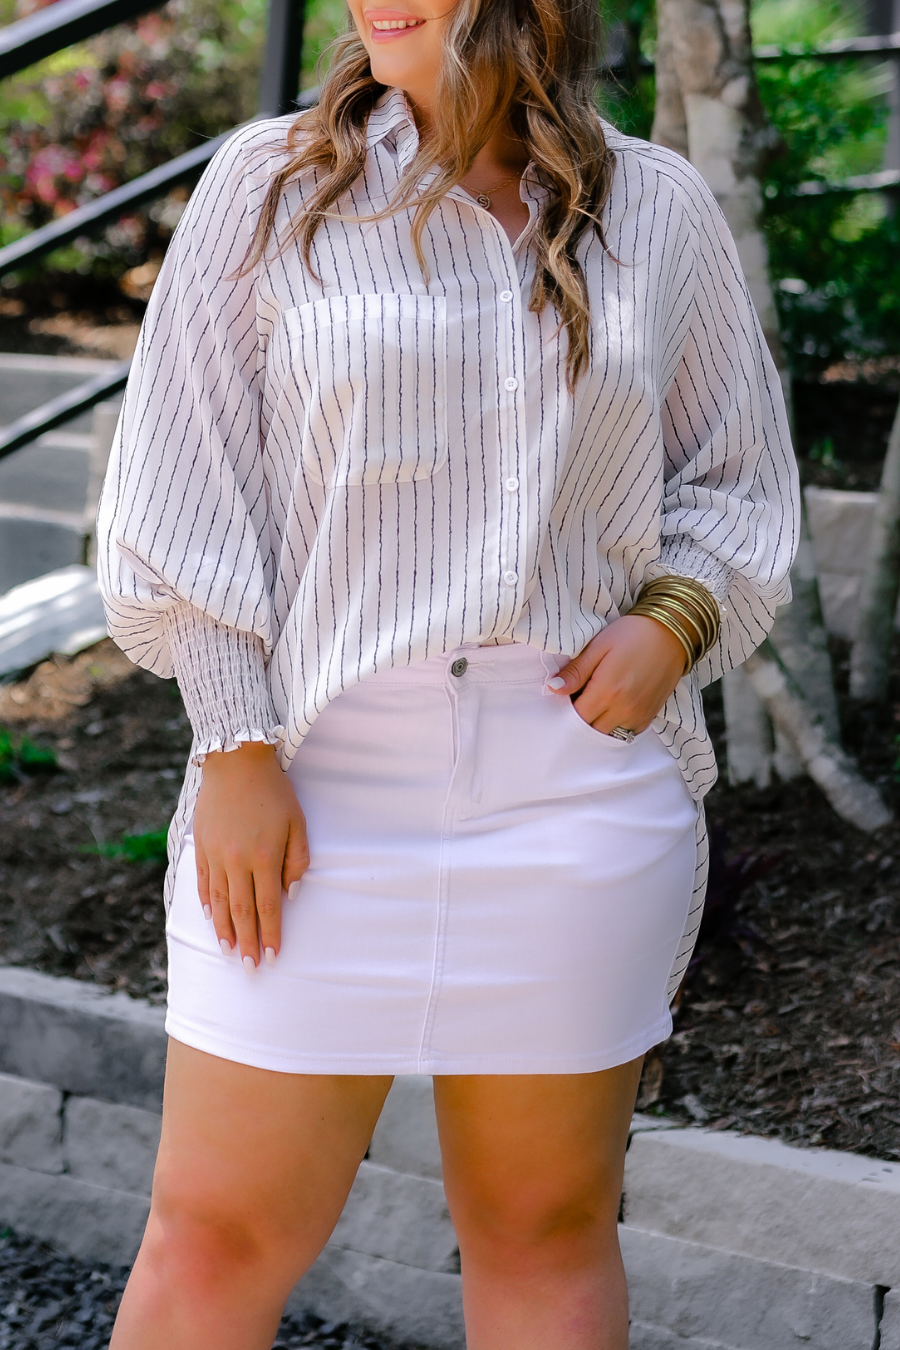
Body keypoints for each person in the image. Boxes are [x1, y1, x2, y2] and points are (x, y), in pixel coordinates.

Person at [97, 0, 799, 1345]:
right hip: (309, 791)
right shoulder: (272, 186)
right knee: (212, 1235)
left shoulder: (652, 209)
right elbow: (189, 493)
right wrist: (233, 746)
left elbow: (737, 477)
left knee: (543, 1232)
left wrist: (675, 617)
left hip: (573, 795)